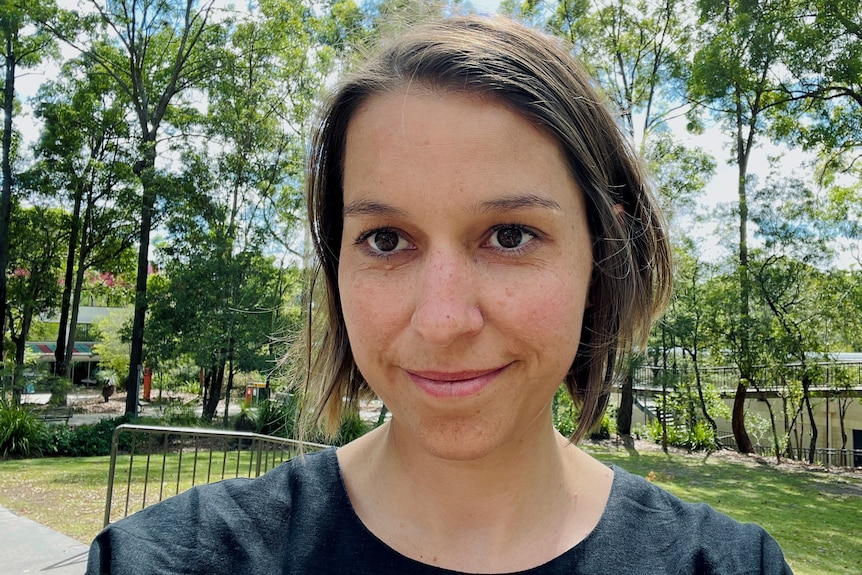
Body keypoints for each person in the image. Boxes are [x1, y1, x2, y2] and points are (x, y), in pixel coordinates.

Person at [86, 15, 793, 575]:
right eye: (387, 240)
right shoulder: (167, 558)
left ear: (602, 256)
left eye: (510, 235)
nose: (445, 319)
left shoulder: (729, 565)